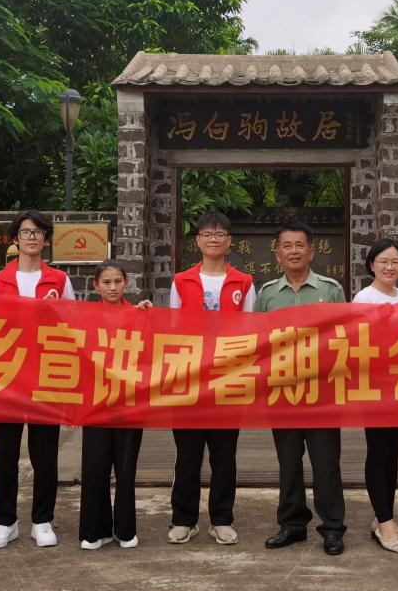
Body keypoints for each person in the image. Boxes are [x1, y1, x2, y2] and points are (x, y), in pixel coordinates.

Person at [255, 220, 347, 556]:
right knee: (288, 462)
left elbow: (345, 336)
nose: (294, 251)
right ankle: (292, 524)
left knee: (326, 464)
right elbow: (256, 342)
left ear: (311, 251)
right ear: (278, 254)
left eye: (299, 245)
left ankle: (332, 528)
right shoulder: (267, 294)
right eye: (287, 246)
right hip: (282, 392)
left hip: (322, 393)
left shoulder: (331, 290)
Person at [0, 210, 74, 550]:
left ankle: (42, 519)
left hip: (45, 376)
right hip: (7, 376)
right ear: (15, 239)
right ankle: (4, 521)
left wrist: (55, 312)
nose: (32, 237)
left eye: (38, 232)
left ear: (46, 239)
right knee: (6, 453)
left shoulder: (60, 281)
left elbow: (74, 325)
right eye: (26, 232)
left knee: (44, 453)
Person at [166, 211, 255, 545]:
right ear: (198, 241)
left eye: (220, 234)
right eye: (207, 234)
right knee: (187, 456)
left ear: (229, 242)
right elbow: (172, 330)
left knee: (224, 455)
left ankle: (221, 519)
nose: (213, 239)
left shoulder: (244, 282)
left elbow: (250, 331)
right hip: (189, 379)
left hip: (227, 380)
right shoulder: (181, 281)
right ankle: (183, 519)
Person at [353, 238, 398, 553]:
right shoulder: (364, 297)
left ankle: (384, 517)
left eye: (396, 262)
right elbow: (359, 340)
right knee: (378, 452)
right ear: (372, 265)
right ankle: (385, 521)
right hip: (376, 386)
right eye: (383, 261)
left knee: (393, 454)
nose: (390, 267)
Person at [78, 260, 145, 550]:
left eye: (118, 281)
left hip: (130, 403)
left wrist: (151, 316)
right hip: (96, 403)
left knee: (126, 469)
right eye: (106, 282)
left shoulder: (139, 315)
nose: (113, 287)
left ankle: (125, 530)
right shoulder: (84, 317)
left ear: (126, 283)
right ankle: (95, 531)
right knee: (95, 468)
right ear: (96, 286)